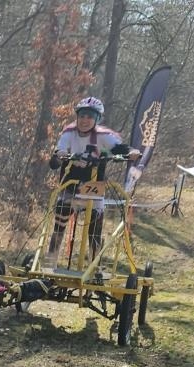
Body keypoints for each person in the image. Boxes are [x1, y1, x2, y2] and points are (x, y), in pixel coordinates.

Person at [47, 97, 140, 255]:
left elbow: (119, 148)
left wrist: (131, 152)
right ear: (77, 116)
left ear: (97, 119)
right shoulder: (69, 132)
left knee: (95, 226)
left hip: (95, 185)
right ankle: (50, 260)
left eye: (90, 116)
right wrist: (59, 155)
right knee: (59, 222)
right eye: (82, 115)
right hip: (71, 184)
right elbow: (57, 154)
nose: (85, 120)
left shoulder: (103, 135)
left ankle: (94, 262)